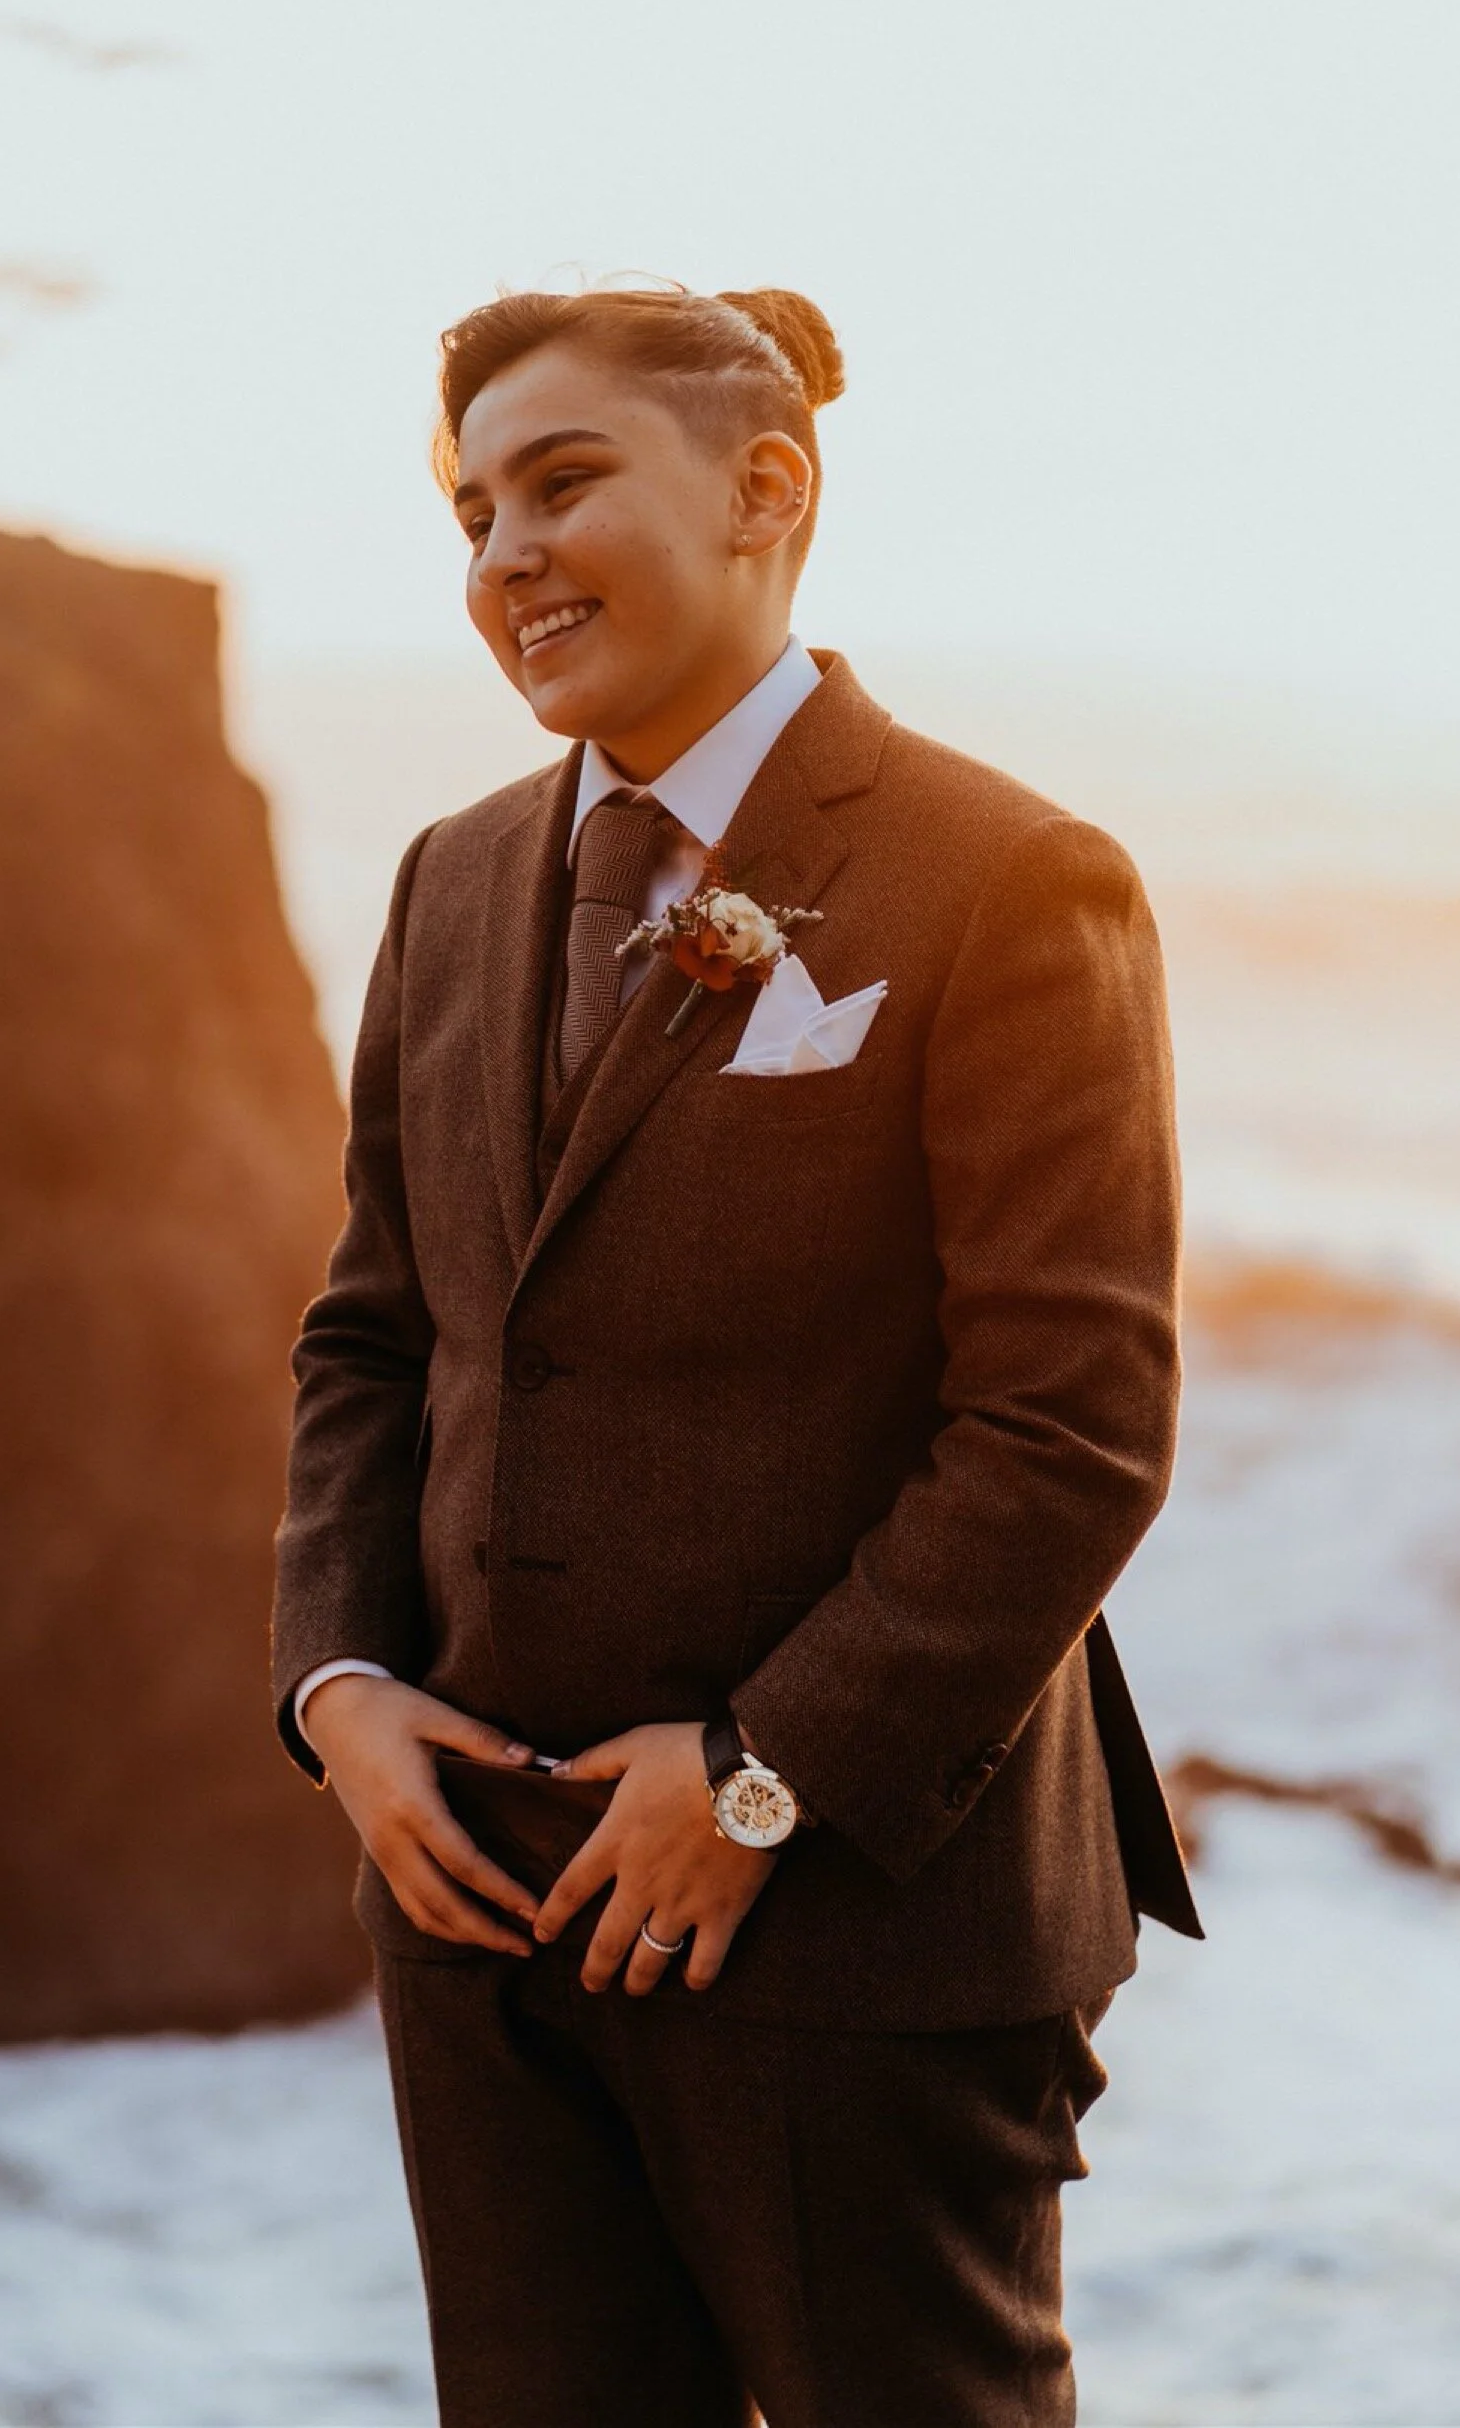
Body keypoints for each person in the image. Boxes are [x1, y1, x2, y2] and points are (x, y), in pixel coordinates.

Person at [270, 282, 1202, 2428]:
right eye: (472, 512)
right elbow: (372, 1335)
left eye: (561, 483)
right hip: (483, 1916)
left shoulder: (1011, 876)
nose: (504, 553)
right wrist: (338, 1692)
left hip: (859, 1935)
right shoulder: (450, 880)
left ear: (766, 490)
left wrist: (762, 1776)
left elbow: (1070, 1425)